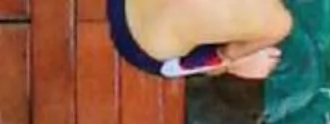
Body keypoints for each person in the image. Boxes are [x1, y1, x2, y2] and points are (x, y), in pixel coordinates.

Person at [106, 0, 291, 82]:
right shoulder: (275, 22)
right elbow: (222, 54)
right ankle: (237, 64)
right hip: (141, 49)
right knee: (223, 58)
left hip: (127, 9)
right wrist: (232, 61)